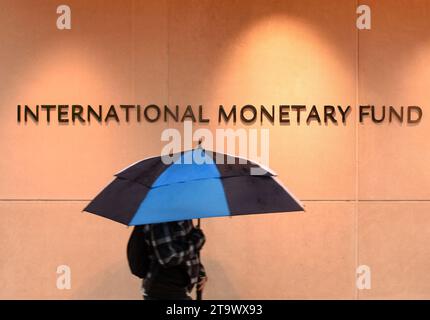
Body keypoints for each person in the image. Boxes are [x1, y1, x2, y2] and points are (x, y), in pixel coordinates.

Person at [141, 219, 208, 300]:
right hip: (163, 290)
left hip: (178, 288)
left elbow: (186, 246)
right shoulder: (160, 220)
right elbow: (168, 258)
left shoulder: (182, 216)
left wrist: (200, 272)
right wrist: (198, 241)